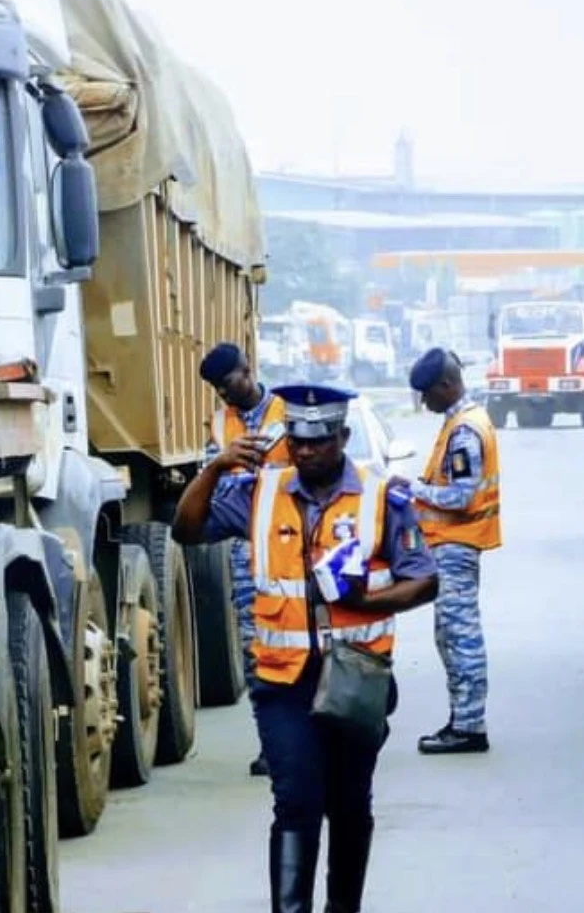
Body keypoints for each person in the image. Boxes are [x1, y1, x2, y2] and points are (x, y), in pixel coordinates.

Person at [173, 382, 438, 913]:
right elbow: (186, 529)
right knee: (296, 801)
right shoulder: (260, 493)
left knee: (348, 805)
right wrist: (215, 467)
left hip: (355, 682)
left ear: (342, 437)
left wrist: (367, 601)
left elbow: (425, 579)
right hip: (282, 682)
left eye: (319, 440)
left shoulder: (380, 497)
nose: (306, 450)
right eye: (297, 440)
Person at [401, 347, 502, 755]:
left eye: (427, 393)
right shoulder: (461, 421)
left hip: (457, 544)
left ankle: (469, 727)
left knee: (460, 638)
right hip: (452, 545)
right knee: (450, 636)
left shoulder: (464, 431)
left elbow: (462, 495)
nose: (424, 402)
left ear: (446, 385)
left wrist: (411, 489)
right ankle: (462, 720)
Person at [199, 342, 291, 778]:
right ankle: (271, 744)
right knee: (256, 655)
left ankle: (307, 739)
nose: (224, 394)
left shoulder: (289, 414)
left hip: (290, 553)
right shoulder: (221, 426)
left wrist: (249, 482)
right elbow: (210, 485)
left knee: (300, 650)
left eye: (228, 382)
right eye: (218, 389)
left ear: (247, 370)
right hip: (245, 554)